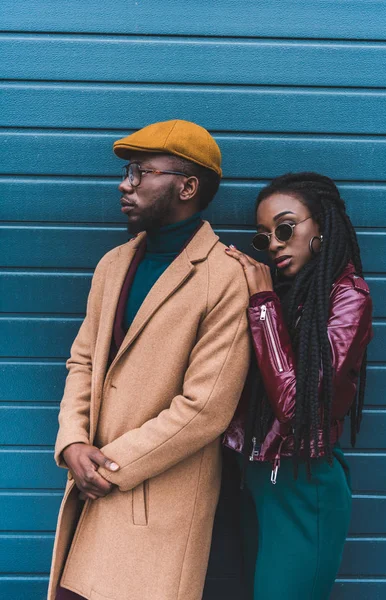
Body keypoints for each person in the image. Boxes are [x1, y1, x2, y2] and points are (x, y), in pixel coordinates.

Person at [48, 119, 251, 600]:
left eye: (141, 172)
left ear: (187, 186)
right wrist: (73, 443)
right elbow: (82, 362)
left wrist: (106, 466)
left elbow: (205, 408)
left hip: (155, 505)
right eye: (127, 172)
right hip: (90, 491)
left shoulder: (224, 277)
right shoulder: (114, 263)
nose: (125, 184)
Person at [223, 172, 373, 600]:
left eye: (285, 228)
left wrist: (263, 306)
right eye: (263, 237)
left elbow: (297, 405)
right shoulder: (291, 293)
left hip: (302, 485)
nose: (273, 244)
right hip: (255, 478)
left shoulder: (348, 297)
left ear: (321, 224)